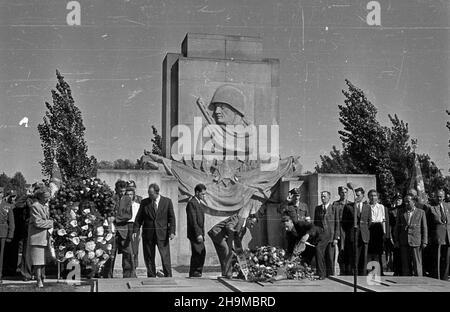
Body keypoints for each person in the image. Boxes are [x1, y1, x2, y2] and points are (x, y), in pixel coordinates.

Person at [133, 183, 176, 277]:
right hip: (148, 235)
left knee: (165, 256)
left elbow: (171, 218)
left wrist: (172, 232)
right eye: (148, 193)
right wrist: (135, 230)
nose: (149, 196)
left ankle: (168, 276)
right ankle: (151, 275)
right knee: (149, 256)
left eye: (151, 194)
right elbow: (139, 218)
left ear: (157, 193)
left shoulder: (167, 201)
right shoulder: (145, 202)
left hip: (162, 234)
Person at [208, 212, 257, 278]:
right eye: (251, 224)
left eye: (253, 225)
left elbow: (238, 243)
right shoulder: (238, 217)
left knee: (231, 253)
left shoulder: (244, 230)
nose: (251, 227)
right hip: (217, 233)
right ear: (248, 219)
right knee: (226, 251)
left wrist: (240, 253)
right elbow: (229, 225)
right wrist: (234, 232)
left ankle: (226, 273)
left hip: (225, 237)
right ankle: (228, 274)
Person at [395, 193, 427, 276]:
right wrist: (397, 240)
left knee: (417, 263)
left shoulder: (421, 212)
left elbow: (424, 227)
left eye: (408, 201)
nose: (406, 203)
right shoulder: (401, 212)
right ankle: (407, 282)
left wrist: (424, 241)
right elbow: (397, 227)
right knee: (405, 264)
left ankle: (419, 280)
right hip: (404, 241)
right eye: (405, 201)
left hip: (416, 241)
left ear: (413, 202)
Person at [342, 187, 371, 276]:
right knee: (354, 256)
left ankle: (362, 274)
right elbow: (344, 222)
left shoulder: (367, 207)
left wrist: (364, 230)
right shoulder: (349, 207)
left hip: (363, 235)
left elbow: (369, 221)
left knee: (363, 256)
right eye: (356, 195)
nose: (357, 197)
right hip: (353, 235)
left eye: (358, 195)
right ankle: (353, 274)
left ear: (363, 195)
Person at [28, 187, 53, 288]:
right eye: (46, 197)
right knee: (38, 261)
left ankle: (42, 278)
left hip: (44, 237)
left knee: (43, 261)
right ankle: (38, 280)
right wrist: (51, 223)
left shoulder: (45, 206)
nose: (48, 199)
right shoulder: (35, 206)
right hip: (37, 237)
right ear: (40, 196)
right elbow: (37, 222)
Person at [110, 180, 135, 278]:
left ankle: (127, 275)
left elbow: (128, 215)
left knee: (127, 253)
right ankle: (108, 275)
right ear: (116, 189)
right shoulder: (111, 198)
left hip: (124, 230)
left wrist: (116, 219)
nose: (122, 193)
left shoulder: (127, 199)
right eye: (120, 191)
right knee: (111, 254)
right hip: (112, 230)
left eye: (124, 191)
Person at [313, 191, 339, 279]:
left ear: (329, 197)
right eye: (321, 196)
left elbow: (337, 223)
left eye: (324, 196)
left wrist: (336, 237)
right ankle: (321, 274)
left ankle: (330, 274)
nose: (322, 198)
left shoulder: (334, 208)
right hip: (321, 236)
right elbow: (315, 223)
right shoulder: (318, 208)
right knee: (319, 254)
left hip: (331, 236)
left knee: (330, 256)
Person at [367, 189, 391, 276]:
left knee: (379, 253)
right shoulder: (366, 206)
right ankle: (370, 271)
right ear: (368, 197)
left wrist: (385, 234)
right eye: (371, 195)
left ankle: (379, 271)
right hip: (370, 229)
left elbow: (385, 221)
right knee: (370, 253)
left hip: (379, 229)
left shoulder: (382, 207)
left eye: (375, 195)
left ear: (378, 197)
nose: (373, 197)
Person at [428, 189, 450, 280]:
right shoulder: (431, 207)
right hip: (437, 236)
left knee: (447, 258)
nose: (439, 198)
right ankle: (436, 276)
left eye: (441, 196)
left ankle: (444, 277)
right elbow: (428, 223)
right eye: (437, 196)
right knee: (437, 257)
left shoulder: (448, 206)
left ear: (444, 197)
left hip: (448, 236)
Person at [186, 184, 207, 278]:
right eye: (203, 194)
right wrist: (198, 234)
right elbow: (193, 220)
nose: (204, 196)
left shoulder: (198, 202)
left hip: (199, 233)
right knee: (199, 252)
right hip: (195, 233)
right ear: (197, 193)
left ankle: (196, 272)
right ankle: (195, 272)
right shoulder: (192, 203)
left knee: (199, 253)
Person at [332, 186, 352, 274]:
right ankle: (342, 270)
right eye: (342, 192)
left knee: (349, 250)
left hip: (348, 230)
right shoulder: (335, 204)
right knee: (341, 249)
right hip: (340, 229)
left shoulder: (351, 204)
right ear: (339, 193)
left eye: (345, 192)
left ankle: (349, 270)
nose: (344, 194)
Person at [125, 180, 142, 271]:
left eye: (132, 187)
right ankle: (128, 268)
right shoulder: (122, 203)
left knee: (135, 248)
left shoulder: (139, 202)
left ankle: (134, 267)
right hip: (125, 226)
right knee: (127, 249)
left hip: (135, 226)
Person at [0, 188, 15, 283]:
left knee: (0, 255)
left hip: (2, 233)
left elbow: (11, 222)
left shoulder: (7, 206)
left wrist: (10, 235)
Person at [387, 193, 402, 276]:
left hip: (403, 233)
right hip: (395, 233)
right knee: (395, 253)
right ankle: (396, 270)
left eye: (400, 199)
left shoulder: (404, 209)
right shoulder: (392, 211)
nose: (398, 201)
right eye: (397, 200)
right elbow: (390, 225)